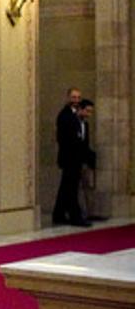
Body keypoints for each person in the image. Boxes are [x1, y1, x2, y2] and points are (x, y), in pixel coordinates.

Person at [53, 87, 91, 227]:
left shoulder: (79, 116)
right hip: (69, 158)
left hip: (76, 159)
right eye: (73, 97)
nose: (76, 100)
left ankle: (59, 214)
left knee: (66, 187)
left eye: (78, 98)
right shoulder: (64, 115)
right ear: (68, 98)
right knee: (71, 188)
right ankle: (75, 217)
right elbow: (63, 138)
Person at [77, 99, 101, 221]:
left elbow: (85, 144)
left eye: (91, 112)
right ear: (80, 109)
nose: (89, 114)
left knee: (88, 187)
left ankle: (89, 213)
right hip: (74, 160)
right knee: (77, 189)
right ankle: (78, 213)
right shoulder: (73, 122)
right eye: (87, 111)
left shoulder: (85, 124)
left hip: (84, 161)